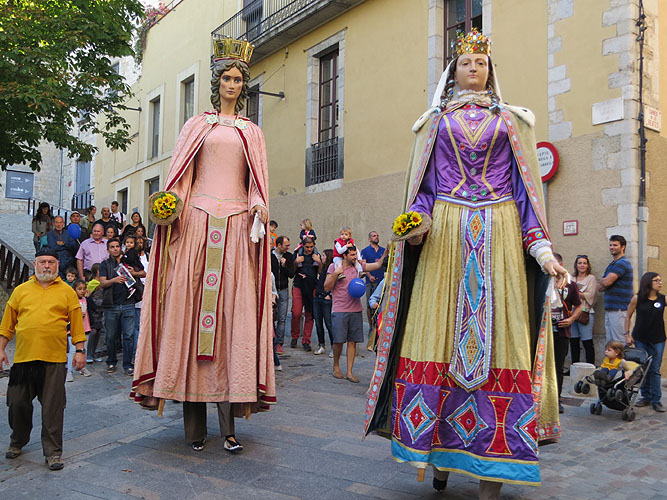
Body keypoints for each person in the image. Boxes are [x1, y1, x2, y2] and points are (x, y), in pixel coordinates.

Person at [364, 29, 567, 497]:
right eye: (465, 63)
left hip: (501, 233)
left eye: (481, 62)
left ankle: (492, 466)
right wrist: (416, 224)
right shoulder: (433, 123)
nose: (473, 68)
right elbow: (426, 188)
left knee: (503, 343)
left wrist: (542, 251)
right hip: (446, 236)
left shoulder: (513, 122)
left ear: (491, 71)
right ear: (452, 71)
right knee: (435, 335)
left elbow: (526, 194)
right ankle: (439, 453)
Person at [131, 39, 275, 453]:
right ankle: (194, 430)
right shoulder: (196, 126)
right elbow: (181, 178)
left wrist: (259, 205)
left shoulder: (252, 132)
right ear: (217, 83)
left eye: (238, 79)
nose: (232, 84)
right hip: (196, 222)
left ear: (243, 85)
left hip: (236, 229)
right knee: (189, 318)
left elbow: (256, 182)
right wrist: (169, 204)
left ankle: (229, 429)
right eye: (226, 78)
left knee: (233, 324)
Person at [0, 248, 86, 470]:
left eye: (51, 262)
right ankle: (18, 440)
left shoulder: (67, 292)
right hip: (24, 359)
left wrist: (80, 350)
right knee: (17, 402)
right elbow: (7, 324)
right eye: (42, 262)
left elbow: (77, 324)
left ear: (57, 265)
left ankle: (53, 453)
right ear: (35, 264)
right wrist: (1, 349)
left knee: (53, 408)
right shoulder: (21, 291)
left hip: (54, 359)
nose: (46, 266)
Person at [324, 245, 385, 383]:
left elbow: (378, 264)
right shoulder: (334, 267)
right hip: (340, 309)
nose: (355, 257)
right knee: (338, 341)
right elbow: (326, 287)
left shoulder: (357, 267)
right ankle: (336, 366)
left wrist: (386, 250)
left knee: (352, 341)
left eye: (355, 254)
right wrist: (335, 274)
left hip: (356, 309)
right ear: (344, 255)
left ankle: (350, 372)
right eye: (352, 255)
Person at [99, 238, 144, 375]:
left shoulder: (128, 261)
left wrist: (133, 273)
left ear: (121, 248)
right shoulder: (105, 264)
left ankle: (128, 364)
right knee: (111, 336)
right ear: (108, 250)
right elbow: (102, 283)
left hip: (128, 304)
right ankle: (111, 362)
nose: (115, 249)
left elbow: (143, 273)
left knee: (129, 336)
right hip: (111, 305)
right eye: (112, 247)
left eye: (117, 246)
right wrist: (114, 280)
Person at [625, 272, 666, 412]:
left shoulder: (663, 299)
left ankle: (656, 400)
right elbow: (628, 316)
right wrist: (627, 334)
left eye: (660, 280)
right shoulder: (637, 298)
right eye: (656, 280)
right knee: (643, 368)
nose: (660, 283)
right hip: (640, 338)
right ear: (648, 282)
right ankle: (645, 397)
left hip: (658, 339)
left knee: (654, 369)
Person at [550, 253, 582, 413]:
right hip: (544, 333)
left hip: (561, 332)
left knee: (558, 367)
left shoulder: (570, 285)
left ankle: (556, 400)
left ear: (561, 265)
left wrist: (571, 319)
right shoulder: (544, 283)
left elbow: (579, 305)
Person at [599, 235, 634, 343]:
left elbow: (606, 282)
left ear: (623, 247)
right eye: (610, 245)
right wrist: (606, 281)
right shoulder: (612, 265)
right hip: (611, 310)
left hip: (620, 310)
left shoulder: (622, 263)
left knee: (620, 343)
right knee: (611, 344)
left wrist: (605, 280)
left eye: (615, 245)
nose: (612, 247)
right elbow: (600, 288)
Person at [290, 237, 322, 351]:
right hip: (298, 285)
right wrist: (296, 262)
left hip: (312, 286)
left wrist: (319, 262)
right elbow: (291, 272)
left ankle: (306, 341)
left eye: (311, 247)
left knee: (310, 314)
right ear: (303, 246)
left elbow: (321, 273)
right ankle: (294, 336)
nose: (309, 249)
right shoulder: (297, 255)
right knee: (296, 313)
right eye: (307, 247)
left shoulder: (316, 255)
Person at [360, 231, 386, 350]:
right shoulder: (365, 251)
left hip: (381, 281)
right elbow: (364, 266)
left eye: (377, 235)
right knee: (370, 305)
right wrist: (369, 276)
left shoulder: (383, 250)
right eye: (374, 236)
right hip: (370, 282)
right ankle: (372, 327)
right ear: (369, 239)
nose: (376, 237)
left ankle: (379, 325)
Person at [570, 255, 597, 365]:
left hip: (585, 313)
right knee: (573, 341)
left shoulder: (591, 278)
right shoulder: (571, 278)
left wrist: (575, 293)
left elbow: (591, 295)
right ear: (576, 265)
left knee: (587, 341)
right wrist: (580, 293)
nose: (582, 265)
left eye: (584, 263)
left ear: (588, 265)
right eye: (580, 263)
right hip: (571, 313)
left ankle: (590, 366)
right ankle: (574, 367)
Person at [271, 236, 295, 354]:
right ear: (279, 245)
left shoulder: (289, 256)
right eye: (286, 245)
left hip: (283, 290)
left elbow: (291, 274)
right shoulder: (270, 256)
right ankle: (271, 341)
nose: (288, 248)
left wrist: (284, 266)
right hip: (271, 290)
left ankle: (279, 344)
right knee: (271, 317)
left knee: (282, 318)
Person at [66, 279, 92, 381]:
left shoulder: (85, 299)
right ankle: (69, 370)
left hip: (85, 328)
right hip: (74, 330)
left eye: (84, 289)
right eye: (79, 289)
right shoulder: (71, 301)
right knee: (73, 350)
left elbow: (93, 308)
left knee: (84, 349)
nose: (82, 291)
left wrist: (89, 298)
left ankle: (82, 367)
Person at [313, 249, 334, 356]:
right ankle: (321, 345)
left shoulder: (332, 269)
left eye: (324, 255)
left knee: (329, 323)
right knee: (318, 323)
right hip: (318, 298)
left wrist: (329, 295)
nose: (322, 257)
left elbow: (335, 283)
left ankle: (334, 347)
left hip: (326, 299)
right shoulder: (323, 268)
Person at [86, 263, 104, 363]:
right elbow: (87, 296)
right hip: (93, 310)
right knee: (93, 331)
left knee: (98, 331)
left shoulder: (102, 282)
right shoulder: (93, 284)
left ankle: (93, 353)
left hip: (101, 310)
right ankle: (88, 354)